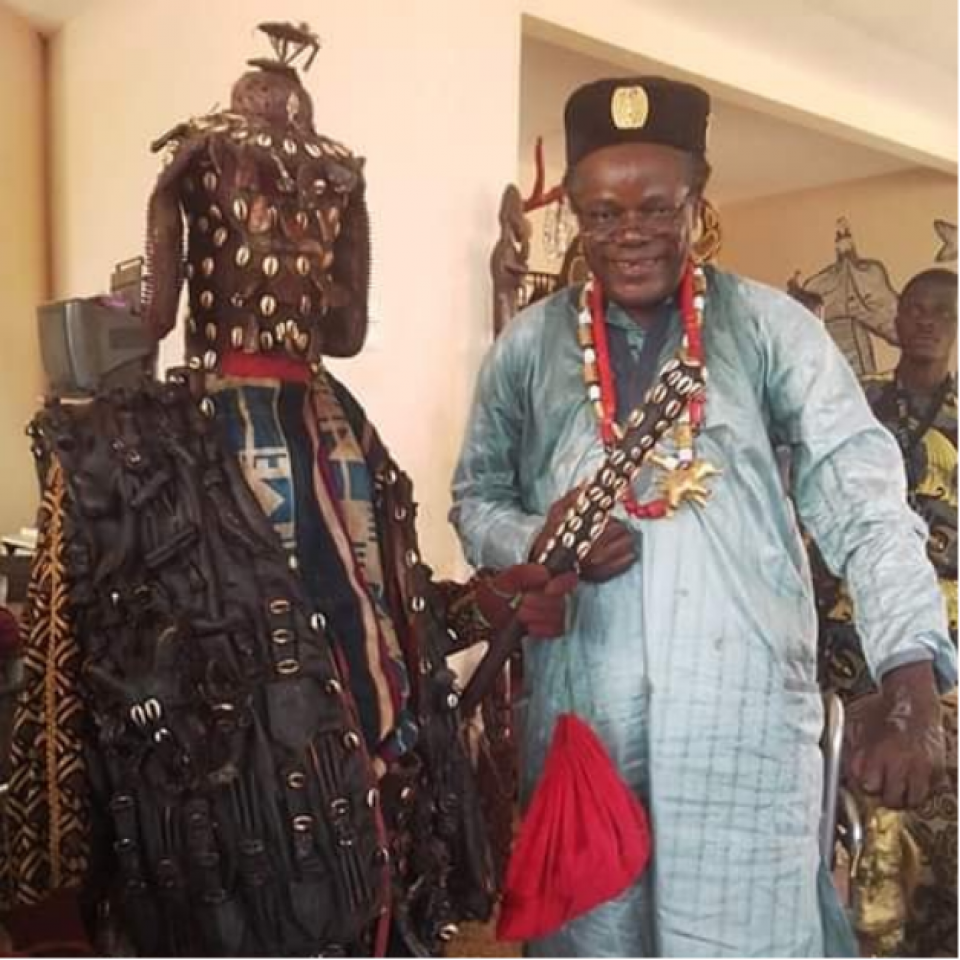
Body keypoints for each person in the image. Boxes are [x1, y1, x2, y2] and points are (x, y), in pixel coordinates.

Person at [1, 24, 569, 960]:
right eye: (260, 201)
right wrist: (49, 911)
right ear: (197, 217)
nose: (291, 237)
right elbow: (61, 707)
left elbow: (374, 628)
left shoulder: (348, 430)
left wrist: (482, 606)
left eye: (316, 209)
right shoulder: (121, 451)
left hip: (387, 866)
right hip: (225, 884)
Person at [450, 75, 958, 959]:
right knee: (589, 938)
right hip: (585, 721)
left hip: (743, 726)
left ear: (699, 194)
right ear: (574, 210)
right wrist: (533, 538)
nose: (630, 233)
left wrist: (910, 672)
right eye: (603, 213)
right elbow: (475, 499)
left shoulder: (771, 331)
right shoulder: (528, 346)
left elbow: (864, 497)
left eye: (657, 206)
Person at [818, 268, 958, 958]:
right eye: (914, 309)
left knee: (934, 818)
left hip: (943, 651)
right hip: (846, 643)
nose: (925, 321)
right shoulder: (853, 407)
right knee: (847, 808)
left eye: (942, 312)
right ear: (895, 320)